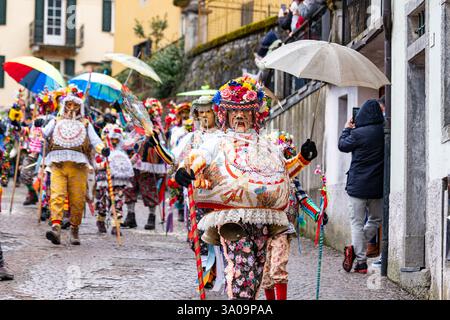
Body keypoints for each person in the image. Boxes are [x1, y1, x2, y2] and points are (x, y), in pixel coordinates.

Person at [175, 76, 318, 300]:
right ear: (226, 115)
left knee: (257, 272)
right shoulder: (219, 140)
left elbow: (282, 174)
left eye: (245, 112)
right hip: (232, 217)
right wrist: (190, 170)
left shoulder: (266, 145)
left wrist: (303, 157)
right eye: (234, 112)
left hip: (262, 219)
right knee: (241, 272)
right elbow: (201, 155)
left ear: (254, 114)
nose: (240, 116)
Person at [43, 86, 110, 245]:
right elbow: (44, 134)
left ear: (80, 107)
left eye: (75, 105)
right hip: (58, 164)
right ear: (64, 105)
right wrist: (40, 125)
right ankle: (56, 228)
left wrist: (103, 150)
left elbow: (95, 141)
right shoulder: (56, 121)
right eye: (69, 105)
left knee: (77, 199)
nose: (71, 108)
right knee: (57, 195)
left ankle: (74, 229)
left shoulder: (86, 124)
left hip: (79, 166)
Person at [338, 99, 385, 274]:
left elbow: (342, 145)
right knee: (375, 220)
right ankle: (358, 253)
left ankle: (361, 261)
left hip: (357, 186)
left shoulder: (357, 133)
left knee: (357, 223)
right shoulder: (383, 131)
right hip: (376, 186)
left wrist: (346, 128)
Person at [95, 124, 134, 235]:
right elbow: (96, 163)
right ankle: (100, 221)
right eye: (112, 139)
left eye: (117, 139)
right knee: (102, 201)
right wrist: (103, 163)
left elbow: (129, 163)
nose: (114, 141)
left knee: (118, 201)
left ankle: (115, 225)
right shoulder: (101, 148)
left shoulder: (123, 151)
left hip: (119, 180)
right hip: (104, 179)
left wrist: (135, 158)